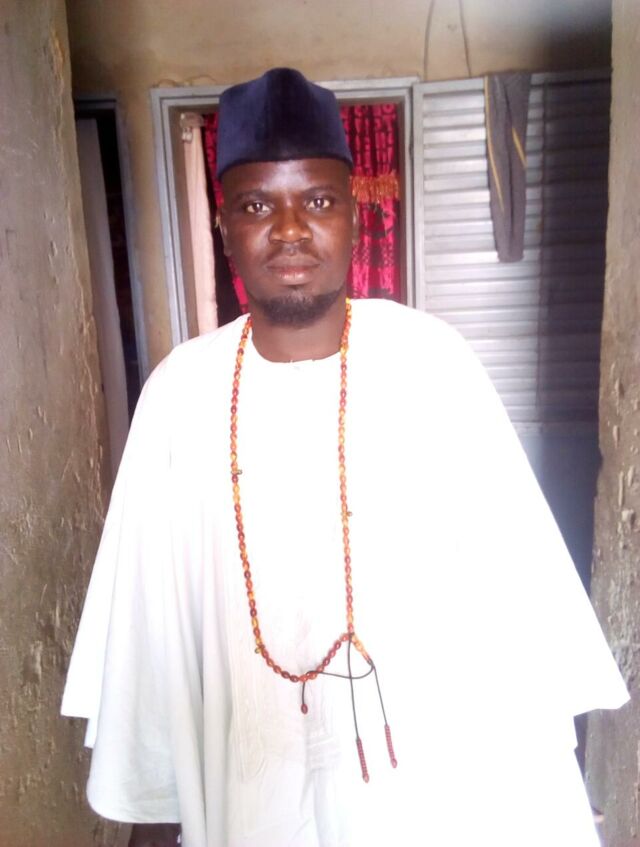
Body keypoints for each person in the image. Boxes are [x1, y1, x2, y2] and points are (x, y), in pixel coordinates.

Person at [62, 68, 628, 847]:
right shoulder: (179, 395)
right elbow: (155, 624)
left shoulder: (432, 363)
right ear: (225, 227)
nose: (290, 229)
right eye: (258, 206)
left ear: (356, 217)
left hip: (422, 778)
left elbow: (511, 594)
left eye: (318, 201)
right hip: (252, 772)